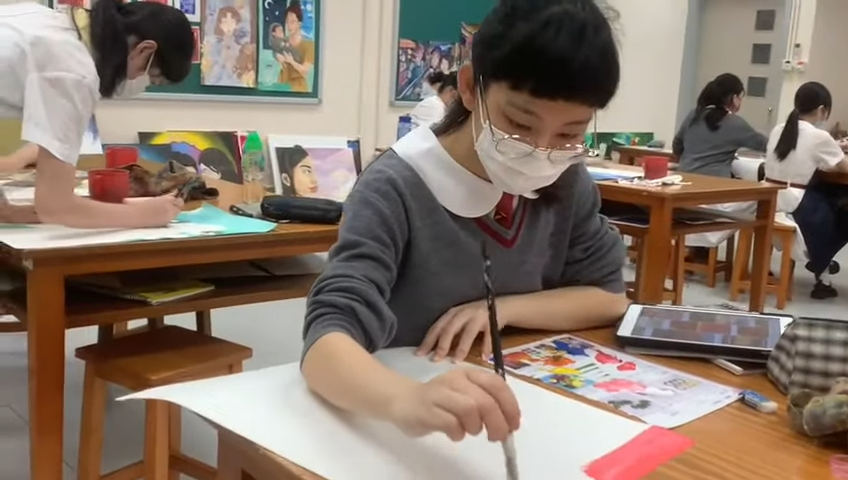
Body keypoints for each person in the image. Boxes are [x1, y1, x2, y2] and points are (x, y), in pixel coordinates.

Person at [302, 0, 628, 444]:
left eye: (569, 133)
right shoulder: (397, 186)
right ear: (471, 87)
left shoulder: (565, 177)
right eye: (519, 124)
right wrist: (406, 400)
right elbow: (325, 342)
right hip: (408, 417)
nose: (541, 150)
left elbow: (608, 296)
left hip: (527, 410)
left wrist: (500, 311)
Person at [0, 0, 193, 227]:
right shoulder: (73, 72)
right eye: (152, 77)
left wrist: (6, 211)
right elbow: (56, 208)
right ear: (144, 50)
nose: (141, 83)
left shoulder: (46, 22)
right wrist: (146, 215)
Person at [764, 81, 848, 299]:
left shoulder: (779, 129)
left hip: (768, 199)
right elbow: (843, 167)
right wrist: (837, 150)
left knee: (827, 195)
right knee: (843, 211)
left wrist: (834, 148)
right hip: (795, 204)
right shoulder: (819, 137)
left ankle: (822, 266)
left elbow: (802, 154)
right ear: (821, 109)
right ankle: (822, 265)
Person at [674, 73, 768, 178]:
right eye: (740, 97)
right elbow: (767, 146)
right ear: (734, 98)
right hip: (715, 182)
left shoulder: (693, 115)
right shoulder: (735, 123)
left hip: (684, 178)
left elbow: (677, 145)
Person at [276, 0, 315, 93]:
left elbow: (305, 71)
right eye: (287, 22)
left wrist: (291, 61)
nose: (289, 25)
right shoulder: (283, 42)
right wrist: (280, 59)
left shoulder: (309, 45)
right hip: (282, 86)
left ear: (299, 23)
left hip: (298, 89)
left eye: (292, 21)